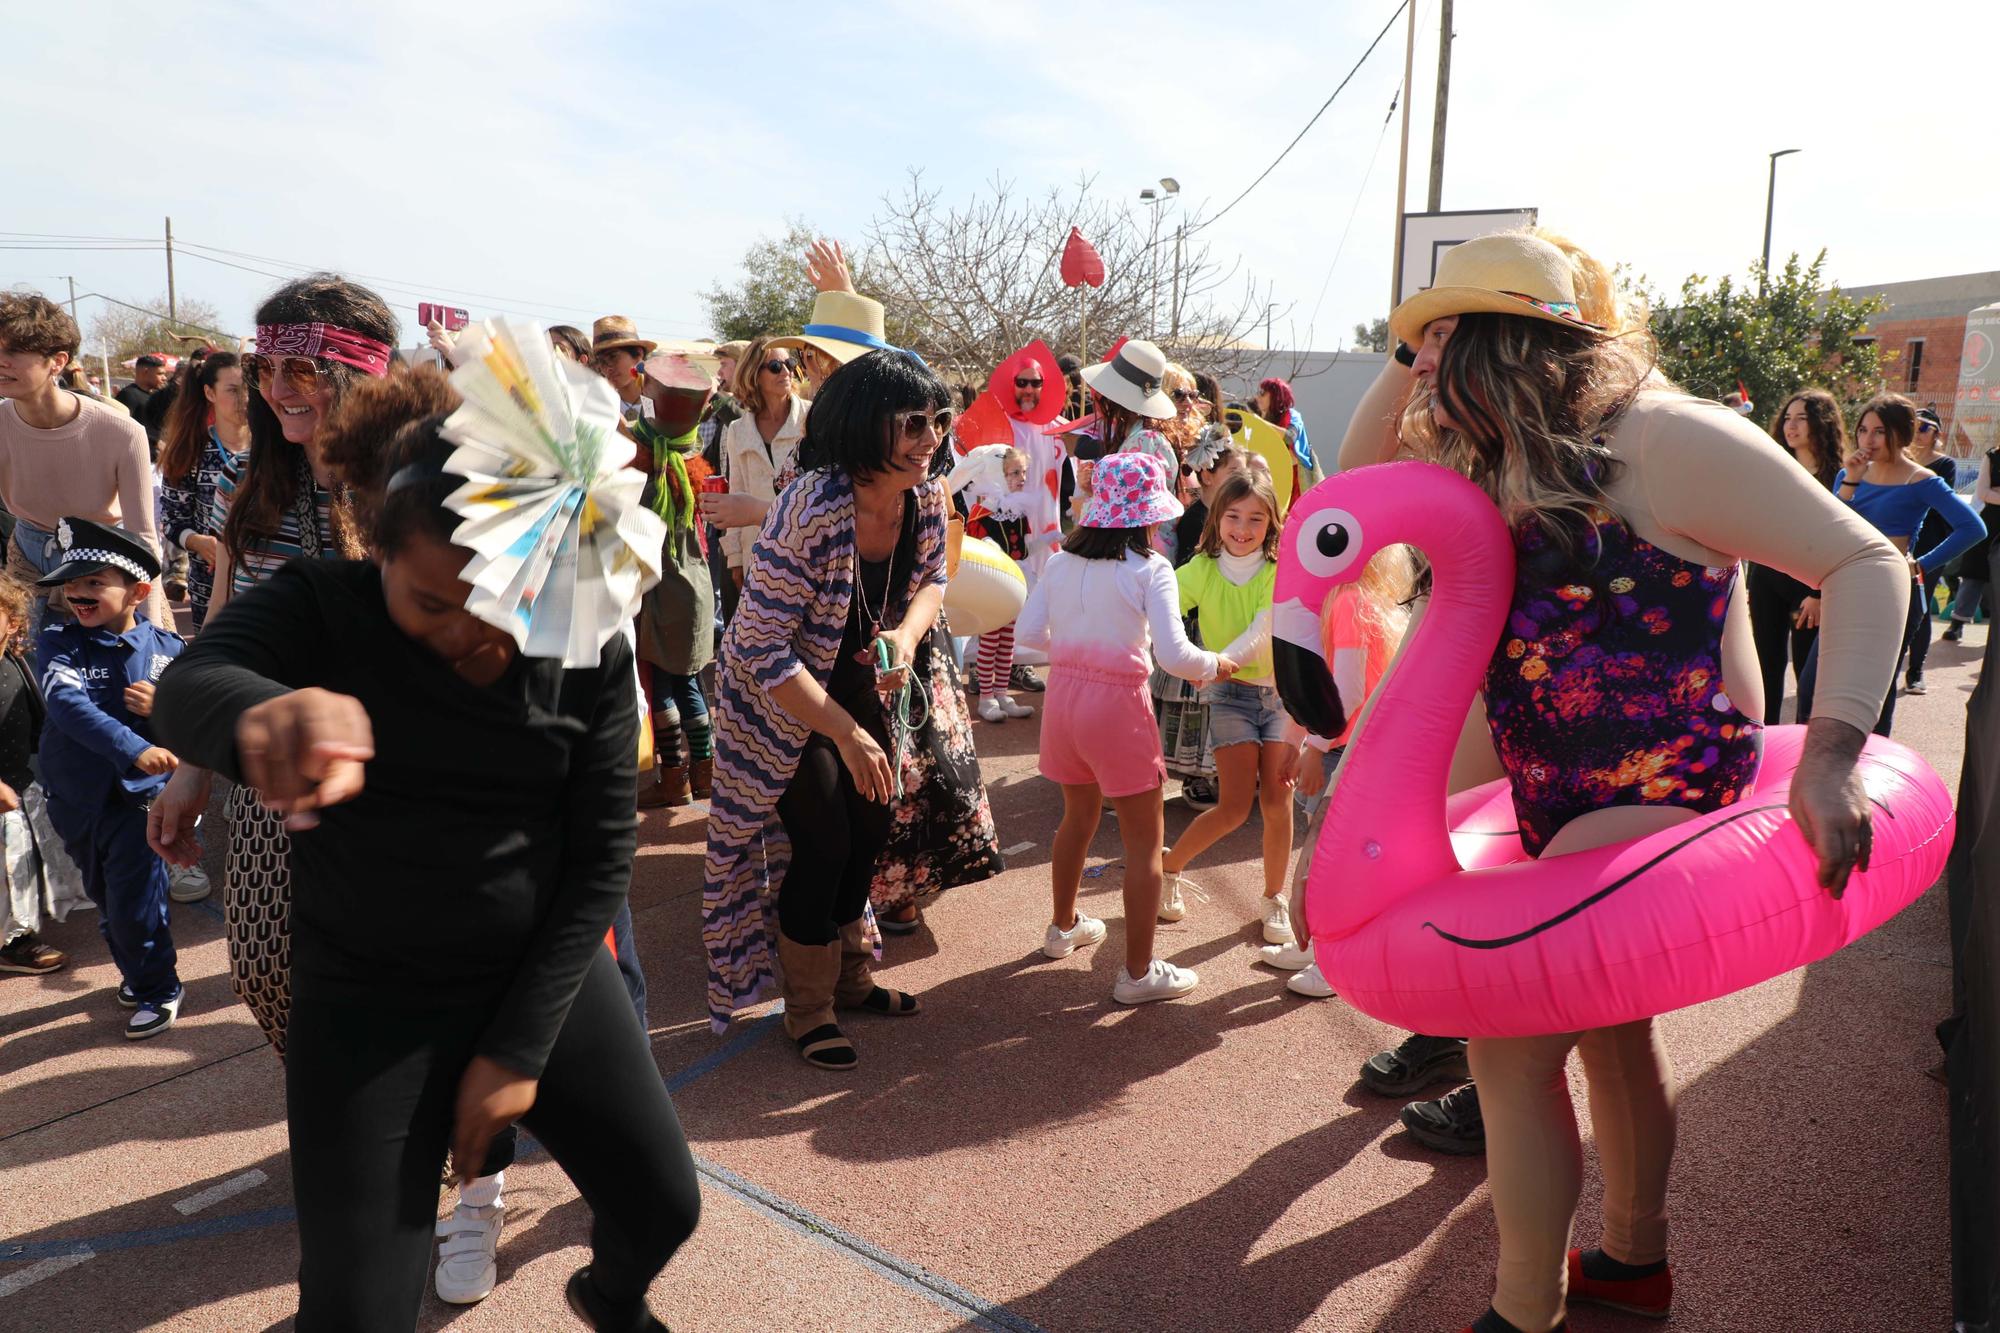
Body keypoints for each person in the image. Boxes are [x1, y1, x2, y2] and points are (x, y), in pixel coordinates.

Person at [1343, 229, 1906, 1333]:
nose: (1424, 374)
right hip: (1553, 776)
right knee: (1606, 1030)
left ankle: (1520, 1312)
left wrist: (1831, 750)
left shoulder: (1669, 439)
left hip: (1660, 771)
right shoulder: (1493, 451)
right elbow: (1356, 487)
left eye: (1447, 344)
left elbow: (1863, 560)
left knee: (1505, 1046)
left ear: (1515, 348)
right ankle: (1631, 1263)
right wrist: (1420, 333)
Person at [151, 377, 700, 1332]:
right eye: (435, 601)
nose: (474, 635)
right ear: (378, 544)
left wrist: (516, 1051)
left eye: (506, 600)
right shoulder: (323, 607)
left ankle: (609, 1298)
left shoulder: (588, 634)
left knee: (664, 1205)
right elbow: (194, 679)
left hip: (541, 969)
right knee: (357, 1308)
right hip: (368, 996)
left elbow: (604, 855)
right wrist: (262, 711)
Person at [155, 273, 397, 1057]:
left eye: (302, 369)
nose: (279, 388)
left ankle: (399, 1131)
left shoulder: (412, 481)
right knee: (264, 967)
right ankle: (345, 1106)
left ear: (355, 371)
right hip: (271, 760)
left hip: (391, 766)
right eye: (267, 368)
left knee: (393, 966)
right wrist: (193, 766)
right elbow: (224, 618)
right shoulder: (251, 475)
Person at [700, 349, 949, 1067]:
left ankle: (851, 979)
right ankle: (806, 1009)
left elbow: (933, 576)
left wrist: (904, 633)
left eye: (938, 421)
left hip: (863, 689)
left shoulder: (924, 494)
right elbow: (756, 647)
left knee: (870, 827)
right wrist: (842, 732)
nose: (930, 438)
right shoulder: (809, 505)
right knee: (825, 839)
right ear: (865, 425)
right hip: (781, 703)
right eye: (912, 424)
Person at [1017, 451, 1231, 1004]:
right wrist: (1216, 666)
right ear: (1148, 516)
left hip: (1063, 701)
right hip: (1117, 706)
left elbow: (1028, 635)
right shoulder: (1150, 568)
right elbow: (1176, 654)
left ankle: (1062, 928)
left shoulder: (1061, 562)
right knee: (1144, 844)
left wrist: (1074, 650)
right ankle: (1138, 973)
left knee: (1077, 818)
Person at [36, 519, 185, 1038]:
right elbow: (66, 705)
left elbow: (198, 718)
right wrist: (135, 746)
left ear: (138, 591)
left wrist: (165, 709)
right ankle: (136, 965)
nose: (77, 593)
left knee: (132, 900)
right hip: (76, 800)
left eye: (94, 582)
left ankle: (158, 987)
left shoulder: (169, 650)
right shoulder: (59, 642)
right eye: (71, 583)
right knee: (105, 895)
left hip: (139, 803)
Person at [1258, 544, 1417, 997]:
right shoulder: (1346, 600)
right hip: (1342, 747)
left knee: (1331, 858)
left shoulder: (1347, 601)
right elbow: (1313, 684)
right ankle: (1315, 945)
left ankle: (1331, 960)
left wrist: (1312, 745)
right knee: (1326, 853)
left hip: (1345, 751)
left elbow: (1344, 693)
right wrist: (1293, 742)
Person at [1795, 393, 1985, 734]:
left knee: (1876, 694)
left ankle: (1875, 774)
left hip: (1894, 592)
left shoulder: (1922, 480)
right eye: (1863, 430)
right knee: (1812, 687)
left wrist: (1923, 564)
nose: (1869, 439)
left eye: (1879, 431)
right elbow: (1833, 530)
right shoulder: (1849, 474)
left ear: (1902, 433)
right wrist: (1851, 482)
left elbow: (1973, 527)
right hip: (1848, 587)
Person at [1158, 471, 1296, 936]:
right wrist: (1193, 663)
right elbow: (1161, 614)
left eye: (1256, 518)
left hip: (1279, 696)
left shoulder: (1279, 571)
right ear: (1217, 519)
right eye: (1234, 516)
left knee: (1279, 804)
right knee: (1235, 808)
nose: (1243, 527)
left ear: (1271, 524)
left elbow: (1262, 632)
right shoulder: (1198, 571)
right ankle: (1170, 867)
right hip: (1230, 697)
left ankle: (1274, 898)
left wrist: (1213, 663)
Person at [0, 293, 171, 632]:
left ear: (58, 361)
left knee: (135, 673)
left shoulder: (122, 432)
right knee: (22, 676)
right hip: (27, 562)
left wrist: (149, 630)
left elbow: (143, 536)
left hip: (110, 564)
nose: (1, 361)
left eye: (14, 352)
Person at [626, 354, 717, 809]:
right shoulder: (692, 458)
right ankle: (703, 775)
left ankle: (675, 777)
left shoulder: (640, 459)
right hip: (696, 584)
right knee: (690, 683)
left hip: (660, 585)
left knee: (662, 685)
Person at [0, 574, 87, 977]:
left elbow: (39, 728)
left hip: (18, 783)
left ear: (13, 622)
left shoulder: (16, 665)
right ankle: (15, 943)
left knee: (25, 858)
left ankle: (21, 926)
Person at [1161, 430, 1247, 810]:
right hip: (1199, 622)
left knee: (1222, 700)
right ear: (1208, 475)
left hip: (1225, 615)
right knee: (1197, 703)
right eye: (1234, 471)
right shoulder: (1196, 516)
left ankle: (1223, 769)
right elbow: (1188, 573)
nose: (1242, 479)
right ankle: (1198, 774)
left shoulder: (1232, 514)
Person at [1746, 389, 1843, 723]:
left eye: (1802, 418)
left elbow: (1838, 539)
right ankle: (1766, 742)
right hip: (1766, 578)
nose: (1792, 425)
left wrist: (1818, 593)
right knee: (1765, 667)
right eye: (1787, 418)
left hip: (1809, 585)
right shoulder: (1774, 468)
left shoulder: (1840, 478)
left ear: (1822, 423)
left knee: (1808, 674)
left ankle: (1804, 753)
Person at [157, 351, 249, 630]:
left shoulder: (275, 449)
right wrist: (199, 542)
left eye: (248, 390)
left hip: (265, 583)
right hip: (210, 588)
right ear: (209, 393)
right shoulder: (191, 452)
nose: (244, 399)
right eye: (232, 390)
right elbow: (172, 520)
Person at [710, 336, 808, 591]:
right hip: (756, 555)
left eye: (790, 363)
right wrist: (734, 559)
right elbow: (736, 492)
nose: (786, 371)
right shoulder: (737, 430)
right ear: (754, 374)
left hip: (807, 554)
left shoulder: (813, 418)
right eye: (775, 367)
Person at [959, 446, 1036, 722]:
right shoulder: (984, 511)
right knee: (990, 640)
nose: (1021, 478)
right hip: (993, 585)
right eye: (1014, 473)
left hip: (1014, 581)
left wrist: (1046, 540)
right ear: (998, 475)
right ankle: (986, 698)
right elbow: (975, 542)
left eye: (1023, 472)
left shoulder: (1019, 511)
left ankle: (1003, 693)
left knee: (1008, 641)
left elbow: (1023, 550)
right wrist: (989, 545)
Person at [1903, 404, 1960, 692]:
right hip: (1900, 543)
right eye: (1914, 426)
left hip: (1929, 547)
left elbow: (1942, 508)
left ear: (1936, 433)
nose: (1918, 433)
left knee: (1920, 608)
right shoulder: (1899, 460)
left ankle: (1916, 671)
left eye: (1924, 427)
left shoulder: (1945, 465)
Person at [1945, 442, 2000, 641]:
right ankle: (1957, 623)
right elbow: (1983, 493)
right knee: (1973, 574)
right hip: (1988, 522)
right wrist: (1993, 492)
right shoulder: (1992, 456)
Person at [589, 316, 657, 424]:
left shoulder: (657, 401)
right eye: (601, 362)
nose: (607, 368)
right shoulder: (599, 406)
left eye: (613, 357)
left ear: (638, 354)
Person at [115, 354, 166, 440]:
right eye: (159, 373)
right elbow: (120, 428)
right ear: (145, 372)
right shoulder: (128, 395)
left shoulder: (156, 396)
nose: (164, 378)